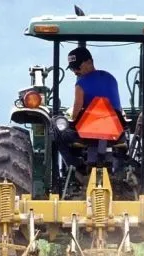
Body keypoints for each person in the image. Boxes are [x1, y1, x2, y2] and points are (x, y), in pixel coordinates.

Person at [53, 47, 124, 177]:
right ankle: (121, 168)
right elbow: (117, 108)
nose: (75, 71)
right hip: (115, 132)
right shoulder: (111, 79)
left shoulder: (80, 84)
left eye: (77, 67)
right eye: (73, 68)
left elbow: (75, 113)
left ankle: (76, 166)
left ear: (90, 62)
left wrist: (70, 120)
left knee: (55, 127)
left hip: (88, 134)